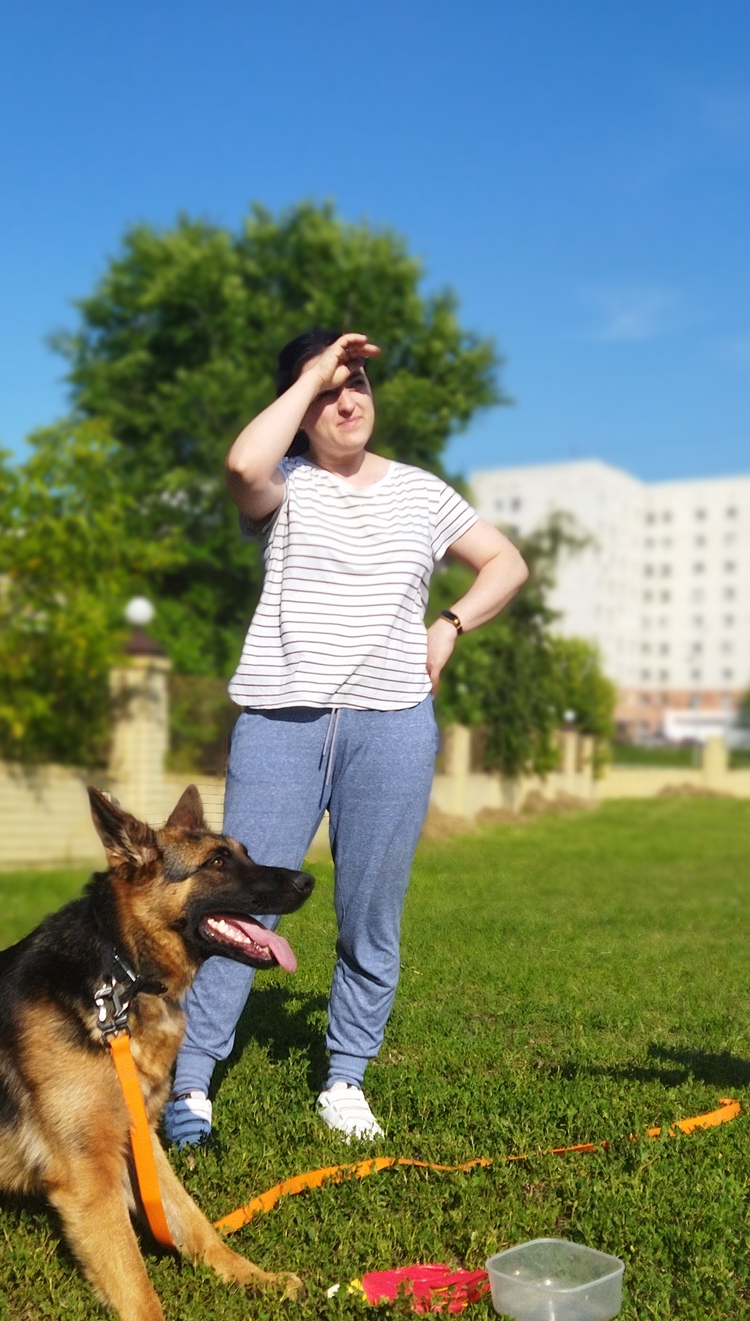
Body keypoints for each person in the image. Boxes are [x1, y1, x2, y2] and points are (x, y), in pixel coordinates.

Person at [163, 330, 528, 1147]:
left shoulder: (423, 493)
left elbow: (505, 563)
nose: (348, 397)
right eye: (329, 388)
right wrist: (309, 374)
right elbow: (239, 466)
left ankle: (345, 1077)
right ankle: (190, 1087)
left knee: (371, 911)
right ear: (300, 409)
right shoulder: (284, 483)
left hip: (393, 725)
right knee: (235, 905)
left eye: (357, 381)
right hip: (279, 724)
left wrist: (452, 624)